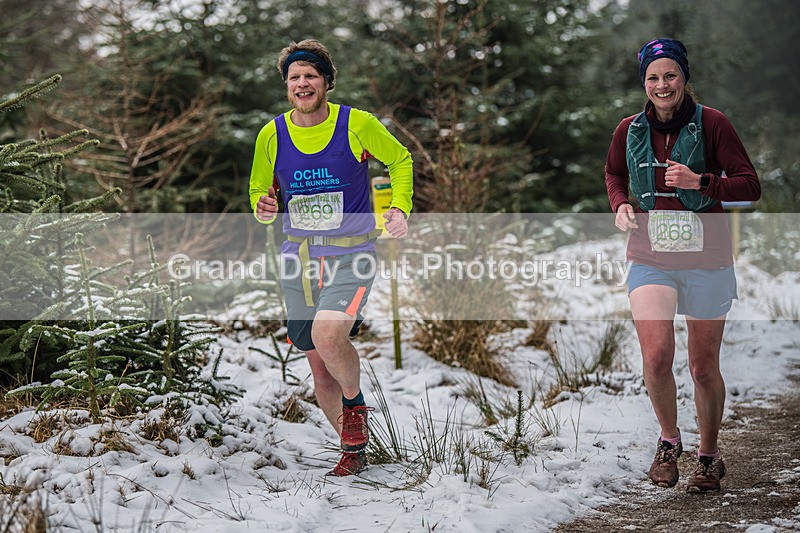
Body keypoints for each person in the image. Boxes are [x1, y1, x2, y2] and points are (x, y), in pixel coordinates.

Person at [248, 39, 413, 476]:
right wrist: (262, 207)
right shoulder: (272, 134)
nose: (302, 84)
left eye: (310, 76)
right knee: (320, 368)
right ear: (287, 87)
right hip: (298, 261)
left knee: (327, 333)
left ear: (326, 82)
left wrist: (399, 207)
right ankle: (353, 449)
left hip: (351, 253)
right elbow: (258, 193)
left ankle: (355, 407)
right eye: (294, 78)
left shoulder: (355, 124)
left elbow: (400, 161)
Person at [605, 38, 760, 492]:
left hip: (707, 259)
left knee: (703, 368)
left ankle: (709, 458)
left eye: (670, 75)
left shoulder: (713, 124)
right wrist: (619, 204)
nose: (661, 85)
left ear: (684, 77)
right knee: (656, 355)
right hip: (649, 256)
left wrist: (702, 182)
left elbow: (750, 186)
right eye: (653, 77)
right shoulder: (629, 129)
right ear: (644, 83)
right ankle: (669, 442)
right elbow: (614, 174)